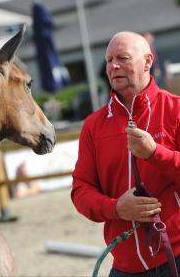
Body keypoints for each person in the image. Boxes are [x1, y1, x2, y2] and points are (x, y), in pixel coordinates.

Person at [71, 31, 180, 276]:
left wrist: (155, 153)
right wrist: (116, 208)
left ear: (148, 62)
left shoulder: (176, 110)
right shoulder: (93, 126)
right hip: (126, 266)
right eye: (109, 60)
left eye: (123, 58)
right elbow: (81, 191)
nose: (114, 66)